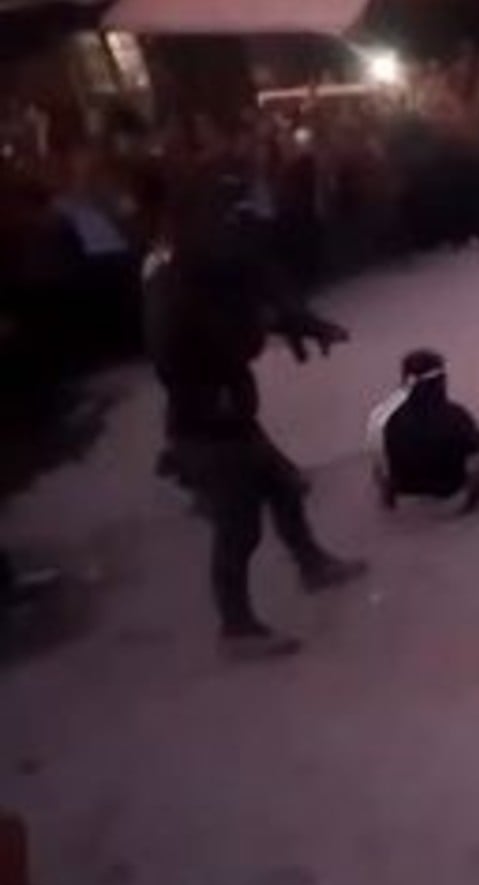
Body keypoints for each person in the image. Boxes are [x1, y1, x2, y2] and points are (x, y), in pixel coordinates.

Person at [143, 170, 366, 660]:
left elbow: (264, 296)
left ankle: (311, 563)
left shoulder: (213, 264)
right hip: (206, 421)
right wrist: (239, 344)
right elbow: (172, 351)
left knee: (284, 488)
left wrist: (306, 325)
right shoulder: (170, 278)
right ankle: (236, 627)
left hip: (230, 409)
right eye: (219, 214)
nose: (230, 223)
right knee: (238, 524)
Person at [368, 350, 479, 512]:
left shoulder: (389, 417)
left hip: (407, 497)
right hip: (449, 497)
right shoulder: (453, 415)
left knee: (384, 460)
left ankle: (389, 500)